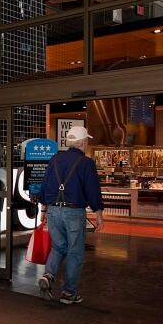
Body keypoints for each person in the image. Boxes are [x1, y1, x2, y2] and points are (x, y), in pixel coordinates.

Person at [37, 126, 105, 304]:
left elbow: (45, 185)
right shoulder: (86, 163)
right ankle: (69, 293)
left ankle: (49, 275)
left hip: (53, 210)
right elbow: (92, 190)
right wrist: (98, 212)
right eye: (87, 141)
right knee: (75, 252)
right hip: (74, 212)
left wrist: (43, 210)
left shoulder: (55, 159)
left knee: (58, 246)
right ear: (82, 142)